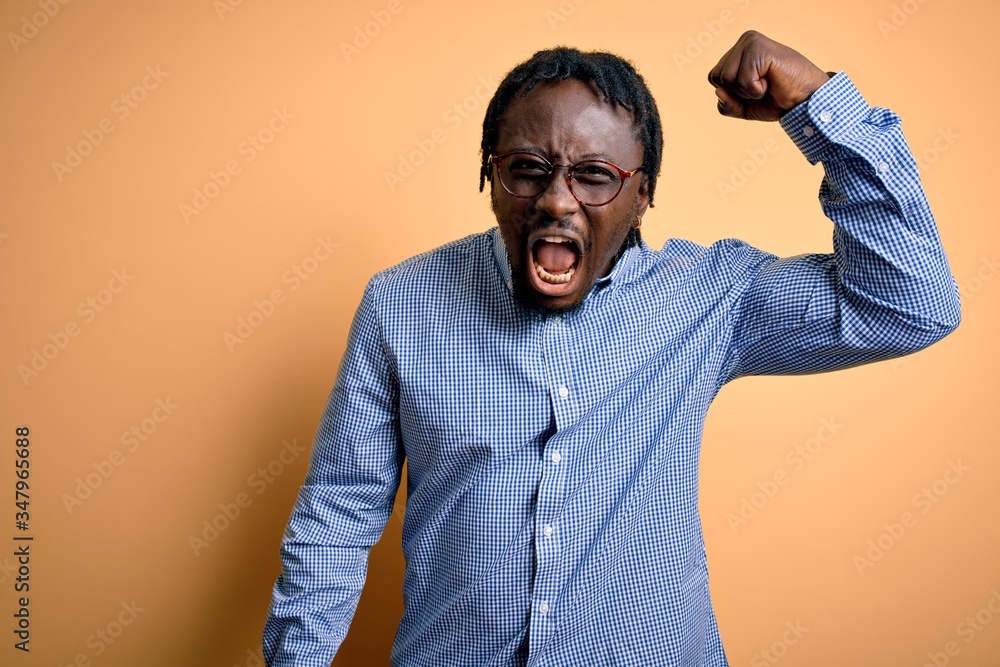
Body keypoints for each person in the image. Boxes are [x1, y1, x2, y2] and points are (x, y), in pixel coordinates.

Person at [262, 30, 960, 666]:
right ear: (490, 174)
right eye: (529, 168)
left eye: (596, 175)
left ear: (644, 194)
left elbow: (912, 302)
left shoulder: (709, 299)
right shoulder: (401, 303)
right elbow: (339, 512)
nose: (558, 201)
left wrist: (818, 107)